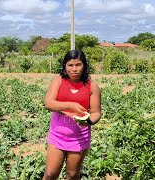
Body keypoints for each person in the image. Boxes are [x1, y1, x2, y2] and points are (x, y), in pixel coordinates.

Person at [43, 50, 101, 180]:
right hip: (57, 134)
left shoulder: (92, 87)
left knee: (73, 174)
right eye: (70, 65)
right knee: (50, 173)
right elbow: (48, 103)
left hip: (80, 137)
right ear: (65, 66)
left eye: (78, 64)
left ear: (84, 65)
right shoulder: (58, 80)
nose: (74, 69)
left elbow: (96, 112)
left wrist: (89, 121)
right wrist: (70, 105)